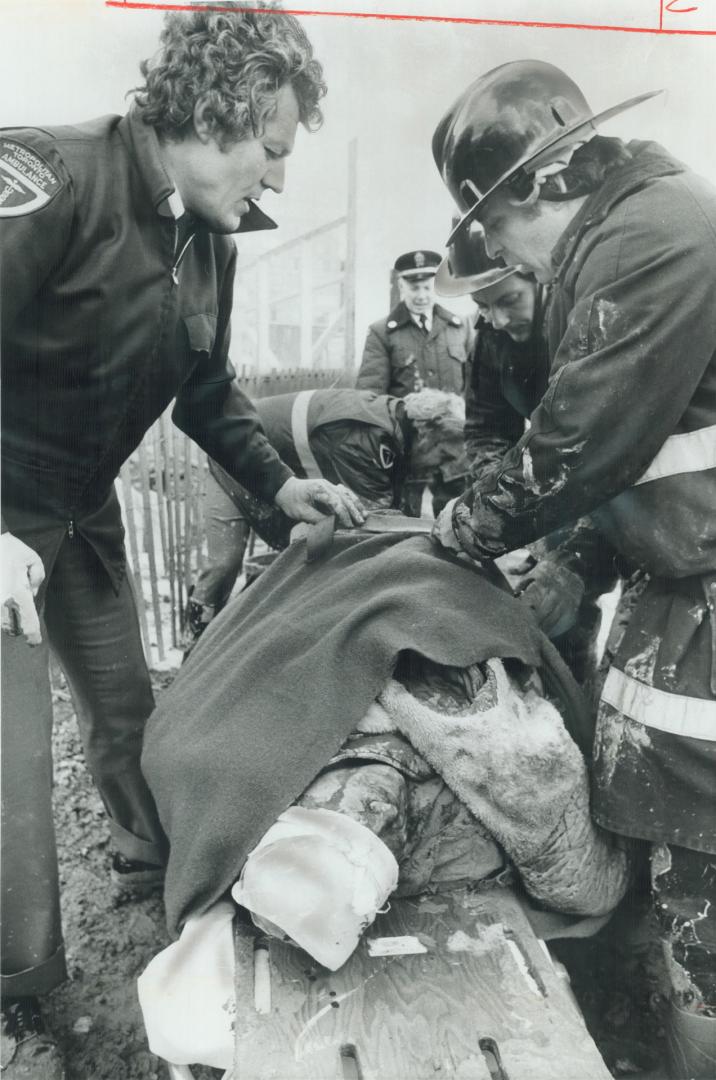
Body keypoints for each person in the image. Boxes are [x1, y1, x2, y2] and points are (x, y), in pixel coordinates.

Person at [0, 8, 363, 1074]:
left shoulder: (206, 242)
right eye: (274, 148)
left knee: (129, 727)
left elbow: (207, 393)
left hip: (80, 509)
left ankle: (159, 904)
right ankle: (23, 1009)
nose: (281, 181)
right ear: (215, 112)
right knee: (9, 765)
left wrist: (279, 484)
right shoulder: (52, 176)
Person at [431, 59, 716, 1077]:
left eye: (500, 239)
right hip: (677, 586)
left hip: (704, 609)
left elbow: (579, 441)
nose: (518, 269)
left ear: (538, 188)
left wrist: (459, 532)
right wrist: (578, 552)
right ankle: (659, 1006)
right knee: (666, 838)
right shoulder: (636, 230)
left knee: (702, 866)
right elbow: (655, 460)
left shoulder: (646, 236)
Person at [435, 225, 617, 688]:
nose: (495, 319)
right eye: (481, 306)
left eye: (508, 301)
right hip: (545, 490)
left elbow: (610, 455)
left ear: (539, 279)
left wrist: (573, 562)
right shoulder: (490, 340)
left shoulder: (588, 320)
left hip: (616, 496)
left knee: (568, 619)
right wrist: (506, 521)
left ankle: (577, 715)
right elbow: (485, 431)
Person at [182, 384, 468, 653]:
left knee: (301, 549)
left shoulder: (398, 430)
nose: (442, 468)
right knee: (224, 564)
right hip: (235, 458)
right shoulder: (364, 437)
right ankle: (193, 647)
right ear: (427, 431)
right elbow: (372, 523)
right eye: (443, 455)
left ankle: (246, 636)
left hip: (279, 472)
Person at [355, 250, 473, 515]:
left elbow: (475, 391)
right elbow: (369, 398)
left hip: (455, 452)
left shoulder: (459, 328)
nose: (421, 295)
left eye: (427, 286)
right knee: (406, 527)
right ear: (401, 286)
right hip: (409, 452)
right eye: (413, 287)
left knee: (458, 521)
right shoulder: (382, 333)